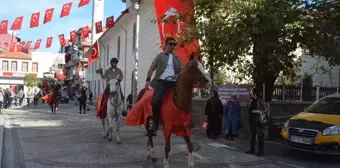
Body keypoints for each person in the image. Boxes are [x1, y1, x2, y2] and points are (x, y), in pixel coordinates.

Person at [145, 37, 184, 133]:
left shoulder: (177, 58)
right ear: (166, 45)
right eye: (171, 44)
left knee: (185, 97)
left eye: (175, 44)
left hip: (174, 82)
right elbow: (151, 68)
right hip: (162, 82)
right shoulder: (160, 56)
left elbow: (182, 70)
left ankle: (186, 121)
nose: (173, 46)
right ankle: (155, 123)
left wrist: (177, 75)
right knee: (156, 101)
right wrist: (148, 79)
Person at [245, 87, 266, 157]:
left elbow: (264, 110)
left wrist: (256, 111)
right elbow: (249, 110)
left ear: (255, 93)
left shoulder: (259, 101)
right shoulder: (252, 100)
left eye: (251, 92)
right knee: (253, 136)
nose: (250, 93)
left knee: (260, 137)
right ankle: (252, 149)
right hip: (253, 121)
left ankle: (261, 152)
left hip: (258, 121)